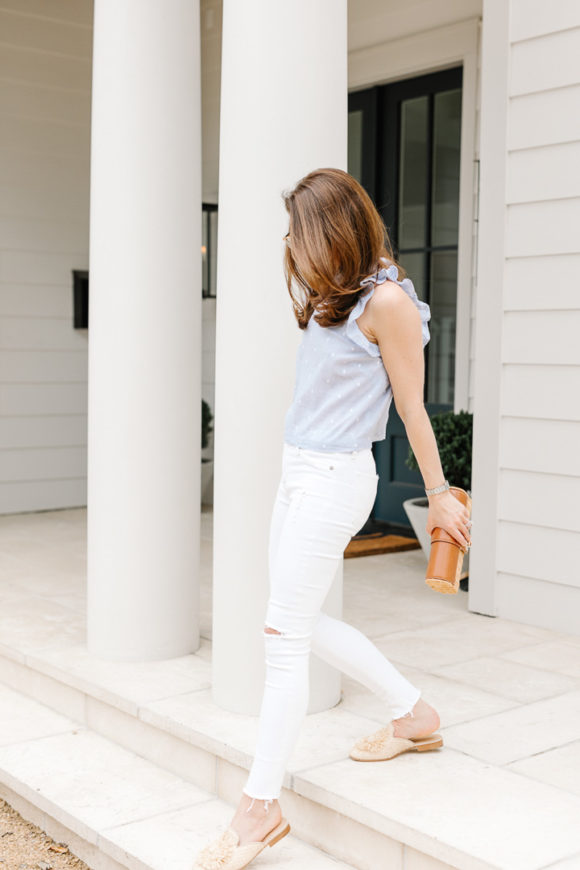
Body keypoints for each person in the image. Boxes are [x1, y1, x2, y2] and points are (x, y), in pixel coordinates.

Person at [192, 167, 473, 870]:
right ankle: (414, 714)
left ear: (332, 233)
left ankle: (259, 808)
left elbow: (411, 405)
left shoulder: (388, 304)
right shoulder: (336, 293)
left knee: (283, 639)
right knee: (297, 621)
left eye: (299, 232)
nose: (292, 244)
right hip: (299, 474)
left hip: (335, 480)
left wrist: (439, 491)